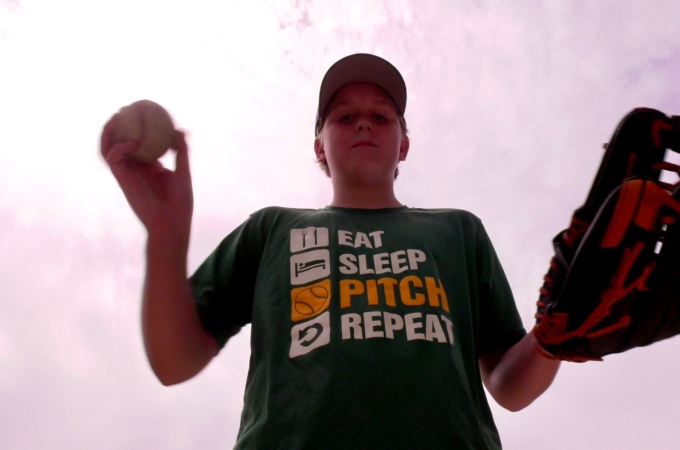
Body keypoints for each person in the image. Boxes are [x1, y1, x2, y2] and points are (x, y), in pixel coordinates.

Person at [102, 53, 561, 449]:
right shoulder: (273, 228)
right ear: (319, 146)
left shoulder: (458, 231)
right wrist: (166, 233)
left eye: (382, 116)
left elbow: (508, 386)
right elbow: (173, 361)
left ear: (403, 144)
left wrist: (556, 336)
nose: (363, 121)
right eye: (343, 116)